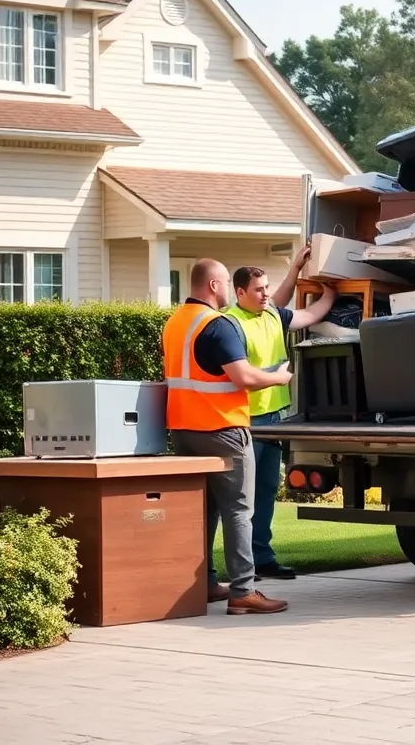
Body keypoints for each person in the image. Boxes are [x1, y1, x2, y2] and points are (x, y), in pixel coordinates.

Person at [163, 258, 293, 615]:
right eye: (223, 284)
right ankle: (243, 591)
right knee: (239, 510)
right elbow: (244, 378)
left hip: (184, 430)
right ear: (215, 287)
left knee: (205, 511)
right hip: (223, 430)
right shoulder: (218, 325)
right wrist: (281, 378)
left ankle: (205, 583)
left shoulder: (174, 323)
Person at [224, 248, 336, 580]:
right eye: (258, 289)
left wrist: (329, 292)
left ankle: (262, 558)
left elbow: (308, 315)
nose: (265, 294)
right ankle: (241, 567)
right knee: (240, 499)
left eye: (267, 288)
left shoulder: (273, 314)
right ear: (239, 292)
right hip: (246, 421)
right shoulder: (231, 323)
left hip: (274, 418)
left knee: (267, 490)